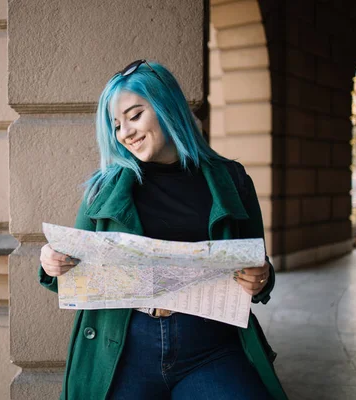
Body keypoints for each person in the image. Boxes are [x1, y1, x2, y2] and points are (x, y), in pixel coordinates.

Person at [38, 60, 287, 400]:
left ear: (166, 107)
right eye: (116, 125)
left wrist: (261, 277)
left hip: (211, 347)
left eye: (135, 115)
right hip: (124, 350)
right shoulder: (103, 189)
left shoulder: (232, 180)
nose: (125, 132)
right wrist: (52, 262)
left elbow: (259, 267)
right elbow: (68, 269)